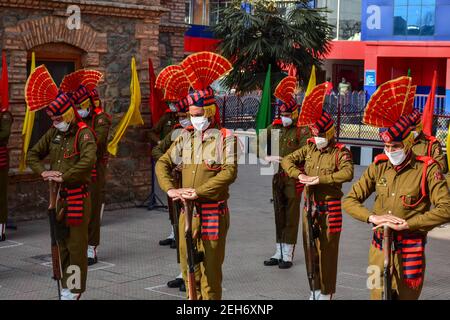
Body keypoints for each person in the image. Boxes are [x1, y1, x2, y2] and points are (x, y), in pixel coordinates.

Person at [343, 76, 450, 300]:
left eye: (396, 146)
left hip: (410, 251)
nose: (390, 150)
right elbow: (350, 200)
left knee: (406, 297)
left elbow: (446, 208)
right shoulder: (379, 166)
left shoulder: (427, 168)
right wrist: (373, 218)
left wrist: (410, 224)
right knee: (375, 295)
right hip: (377, 248)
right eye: (387, 145)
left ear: (408, 143)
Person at [156, 52, 237, 300]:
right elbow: (163, 162)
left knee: (210, 276)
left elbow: (229, 172)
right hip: (186, 214)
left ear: (210, 112)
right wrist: (170, 189)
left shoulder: (226, 138)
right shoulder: (185, 137)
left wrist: (198, 192)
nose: (194, 118)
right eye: (192, 114)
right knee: (189, 271)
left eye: (198, 114)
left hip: (212, 212)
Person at [26, 65, 97, 300]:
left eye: (58, 119)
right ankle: (66, 286)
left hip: (77, 196)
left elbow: (88, 162)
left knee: (76, 248)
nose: (56, 122)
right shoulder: (54, 133)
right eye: (53, 119)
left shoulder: (83, 134)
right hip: (57, 199)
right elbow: (33, 154)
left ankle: (75, 290)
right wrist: (43, 173)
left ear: (68, 114)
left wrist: (64, 176)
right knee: (61, 244)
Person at [281, 82, 354, 300]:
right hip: (308, 206)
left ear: (330, 132)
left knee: (327, 252)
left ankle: (326, 292)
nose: (318, 138)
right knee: (310, 248)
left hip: (329, 208)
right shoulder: (311, 147)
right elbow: (287, 160)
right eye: (315, 134)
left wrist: (320, 179)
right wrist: (300, 176)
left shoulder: (341, 152)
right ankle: (313, 290)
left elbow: (348, 173)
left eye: (321, 134)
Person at [61, 69, 111, 266]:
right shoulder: (78, 121)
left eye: (82, 105)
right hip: (78, 168)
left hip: (94, 170)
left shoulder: (100, 119)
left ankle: (92, 247)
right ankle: (78, 244)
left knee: (93, 208)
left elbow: (96, 142)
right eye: (77, 105)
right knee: (77, 207)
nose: (80, 109)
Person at [260, 76, 309, 269]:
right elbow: (260, 141)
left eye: (288, 113)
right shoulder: (276, 126)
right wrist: (266, 157)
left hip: (294, 178)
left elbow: (306, 150)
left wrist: (289, 160)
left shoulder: (302, 131)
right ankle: (278, 251)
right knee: (278, 213)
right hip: (277, 177)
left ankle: (287, 254)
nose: (285, 116)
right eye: (282, 113)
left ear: (295, 112)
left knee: (291, 216)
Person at [152, 65, 192, 292]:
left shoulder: (214, 135)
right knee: (179, 231)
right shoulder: (177, 131)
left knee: (194, 235)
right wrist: (173, 164)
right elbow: (159, 153)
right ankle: (183, 271)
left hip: (197, 193)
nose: (185, 120)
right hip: (178, 189)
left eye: (188, 116)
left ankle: (194, 276)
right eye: (183, 116)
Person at [0, 92, 13, 241]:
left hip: (1, 161)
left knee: (0, 195)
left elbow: (4, 134)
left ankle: (0, 229)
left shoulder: (4, 115)